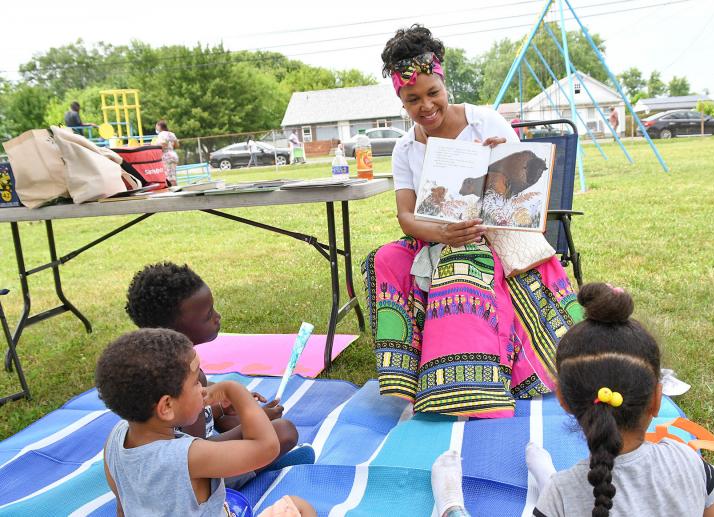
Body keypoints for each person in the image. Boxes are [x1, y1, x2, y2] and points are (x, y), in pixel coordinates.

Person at [362, 25, 581, 419]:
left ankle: (469, 387)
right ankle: (407, 384)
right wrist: (443, 233)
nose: (426, 106)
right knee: (384, 260)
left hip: (493, 234)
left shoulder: (486, 123)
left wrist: (506, 159)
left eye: (433, 93)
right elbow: (406, 217)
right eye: (413, 100)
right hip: (435, 234)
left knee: (464, 261)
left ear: (445, 85)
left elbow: (526, 199)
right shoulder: (405, 147)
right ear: (401, 99)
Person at [429, 283, 714, 517]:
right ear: (657, 399)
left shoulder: (562, 496)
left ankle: (451, 505)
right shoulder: (690, 463)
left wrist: (451, 506)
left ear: (562, 398)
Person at [97, 328, 316, 516]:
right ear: (166, 407)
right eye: (195, 383)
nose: (203, 389)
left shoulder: (115, 438)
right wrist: (235, 390)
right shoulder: (188, 455)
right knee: (299, 506)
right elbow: (267, 447)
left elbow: (123, 507)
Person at [125, 262, 302, 489]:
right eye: (208, 315)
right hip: (191, 477)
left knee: (235, 418)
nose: (217, 317)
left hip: (183, 448)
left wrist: (222, 403)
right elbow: (200, 449)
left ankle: (263, 453)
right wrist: (258, 417)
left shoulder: (155, 363)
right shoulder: (180, 379)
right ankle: (262, 468)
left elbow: (198, 414)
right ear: (175, 330)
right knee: (283, 430)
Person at [154, 120, 180, 186]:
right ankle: (175, 189)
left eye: (156, 126)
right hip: (173, 154)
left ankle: (173, 191)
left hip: (167, 156)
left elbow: (163, 143)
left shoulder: (161, 134)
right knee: (172, 175)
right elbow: (177, 144)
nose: (156, 128)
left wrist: (158, 148)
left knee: (169, 177)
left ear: (159, 126)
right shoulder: (171, 133)